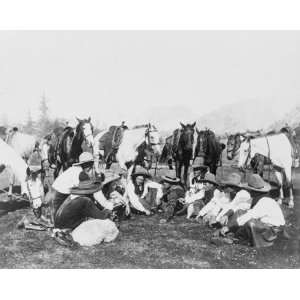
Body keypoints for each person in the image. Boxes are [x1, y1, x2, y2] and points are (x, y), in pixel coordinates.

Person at [45, 152, 110, 229]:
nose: (89, 167)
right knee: (85, 200)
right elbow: (91, 192)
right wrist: (107, 205)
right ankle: (102, 217)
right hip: (59, 206)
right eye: (87, 164)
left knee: (83, 199)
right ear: (83, 164)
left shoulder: (73, 170)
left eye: (90, 164)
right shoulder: (79, 173)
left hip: (56, 203)